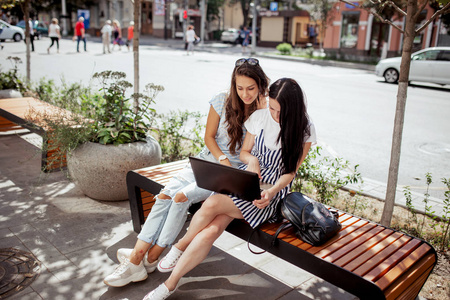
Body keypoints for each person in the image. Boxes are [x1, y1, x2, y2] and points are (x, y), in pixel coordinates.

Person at [142, 78, 316, 300]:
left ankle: (179, 247)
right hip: (245, 180)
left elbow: (291, 173)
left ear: (294, 109)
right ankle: (169, 285)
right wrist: (251, 160)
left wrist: (271, 192)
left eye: (280, 111)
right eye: (271, 107)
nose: (274, 114)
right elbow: (244, 153)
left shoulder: (305, 129)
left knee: (213, 203)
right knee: (212, 230)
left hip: (271, 192)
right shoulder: (260, 117)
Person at [103, 58, 270, 288]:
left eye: (251, 88)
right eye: (240, 88)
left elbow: (260, 149)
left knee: (181, 196)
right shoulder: (222, 100)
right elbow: (209, 137)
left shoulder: (264, 110)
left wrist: (262, 110)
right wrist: (220, 157)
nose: (245, 94)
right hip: (205, 162)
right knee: (166, 194)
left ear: (261, 85)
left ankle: (149, 257)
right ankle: (139, 257)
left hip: (228, 174)